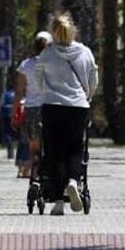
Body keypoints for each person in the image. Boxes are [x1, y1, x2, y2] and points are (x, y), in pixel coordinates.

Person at [34, 14, 97, 216]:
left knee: (55, 153)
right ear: (73, 30)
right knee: (75, 147)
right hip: (78, 106)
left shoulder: (47, 54)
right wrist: (87, 95)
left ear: (54, 31)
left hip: (52, 106)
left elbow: (38, 77)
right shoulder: (85, 52)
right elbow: (93, 77)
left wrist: (46, 92)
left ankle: (59, 201)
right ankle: (73, 181)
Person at [13, 31, 51, 179]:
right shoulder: (54, 64)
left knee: (33, 145)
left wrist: (14, 113)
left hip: (32, 109)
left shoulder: (26, 65)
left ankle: (31, 172)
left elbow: (19, 92)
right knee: (49, 143)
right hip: (50, 107)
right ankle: (41, 171)